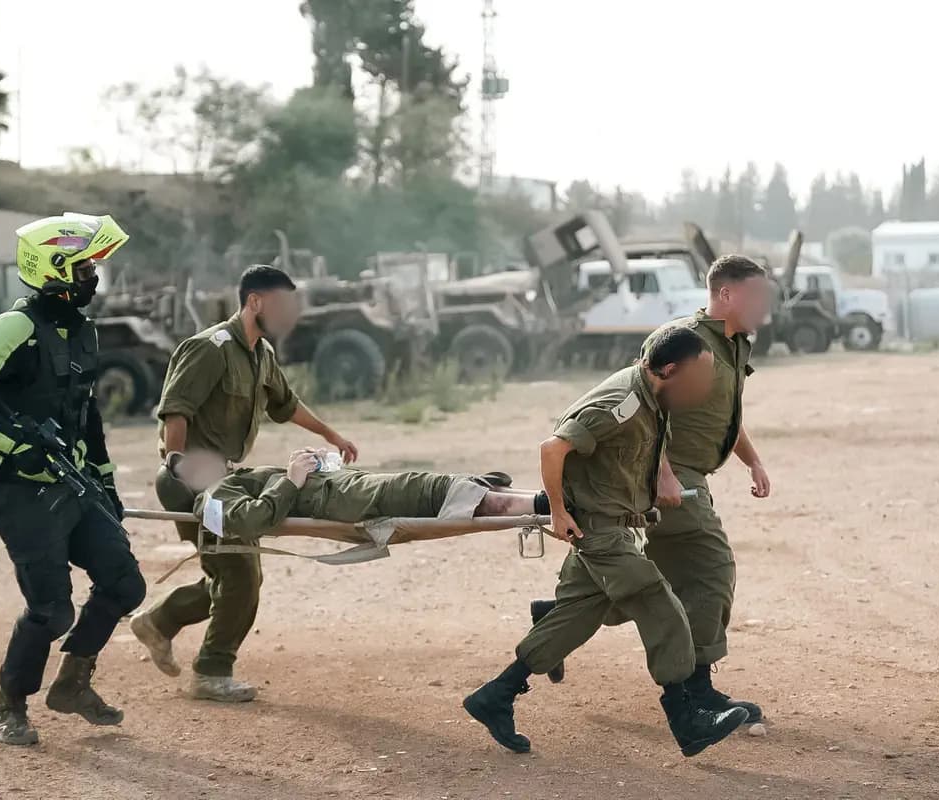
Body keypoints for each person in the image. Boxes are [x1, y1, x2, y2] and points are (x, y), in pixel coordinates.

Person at [463, 325, 752, 759]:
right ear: (670, 369)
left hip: (616, 523)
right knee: (662, 606)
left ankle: (496, 696)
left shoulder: (657, 396)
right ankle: (687, 720)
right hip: (596, 529)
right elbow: (552, 448)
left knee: (575, 616)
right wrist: (559, 513)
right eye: (698, 376)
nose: (704, 386)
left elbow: (643, 452)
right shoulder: (621, 403)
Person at [530, 254, 772, 720]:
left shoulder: (736, 344)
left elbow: (727, 416)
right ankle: (696, 691)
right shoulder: (684, 342)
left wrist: (753, 461)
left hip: (690, 477)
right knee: (710, 570)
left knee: (656, 584)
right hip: (665, 474)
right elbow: (649, 405)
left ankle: (556, 619)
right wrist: (661, 471)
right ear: (725, 294)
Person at [0, 213, 146, 746]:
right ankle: (8, 706)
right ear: (57, 269)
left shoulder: (84, 331)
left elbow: (85, 413)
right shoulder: (17, 326)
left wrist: (106, 480)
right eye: (86, 265)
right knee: (52, 610)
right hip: (20, 491)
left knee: (125, 584)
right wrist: (14, 443)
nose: (94, 275)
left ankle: (73, 684)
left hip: (74, 485)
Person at [129, 265, 359, 702]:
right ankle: (212, 671)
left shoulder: (261, 354)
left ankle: (160, 622)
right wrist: (179, 467)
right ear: (255, 302)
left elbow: (285, 405)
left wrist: (331, 435)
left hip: (227, 479)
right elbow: (176, 412)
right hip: (194, 478)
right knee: (240, 575)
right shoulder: (209, 348)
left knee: (229, 573)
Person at [191, 448, 542, 541]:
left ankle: (554, 500)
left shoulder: (239, 477)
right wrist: (292, 480)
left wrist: (309, 467)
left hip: (361, 490)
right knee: (465, 497)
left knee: (480, 489)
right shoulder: (213, 495)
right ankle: (558, 503)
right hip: (365, 500)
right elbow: (249, 522)